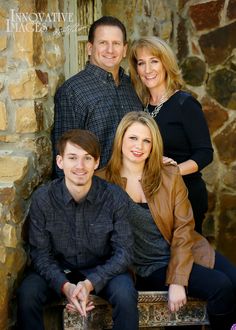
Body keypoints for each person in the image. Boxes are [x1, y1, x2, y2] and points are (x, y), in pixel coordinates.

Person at [96, 111, 236, 330]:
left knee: (234, 280)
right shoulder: (101, 182)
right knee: (221, 286)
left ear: (153, 146)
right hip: (148, 266)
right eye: (133, 138)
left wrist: (178, 279)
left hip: (185, 249)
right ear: (120, 138)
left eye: (146, 141)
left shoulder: (168, 175)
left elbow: (184, 227)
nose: (139, 146)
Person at [17, 129, 138, 330]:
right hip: (59, 268)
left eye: (87, 158)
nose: (80, 166)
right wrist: (65, 286)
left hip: (102, 269)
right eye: (72, 158)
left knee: (125, 293)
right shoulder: (43, 198)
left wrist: (90, 283)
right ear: (60, 162)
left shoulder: (114, 197)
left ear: (97, 162)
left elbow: (124, 253)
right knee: (28, 293)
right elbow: (40, 254)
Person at [128, 36, 213, 234]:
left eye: (154, 61)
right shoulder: (141, 106)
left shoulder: (185, 104)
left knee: (186, 259)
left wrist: (171, 172)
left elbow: (205, 153)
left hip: (185, 195)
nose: (148, 70)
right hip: (153, 197)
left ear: (166, 63)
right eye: (141, 63)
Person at [52, 16, 142, 177]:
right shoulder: (72, 91)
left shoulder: (133, 86)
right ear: (89, 48)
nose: (110, 50)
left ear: (124, 49)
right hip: (97, 193)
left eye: (116, 43)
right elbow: (64, 157)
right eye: (103, 43)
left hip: (136, 188)